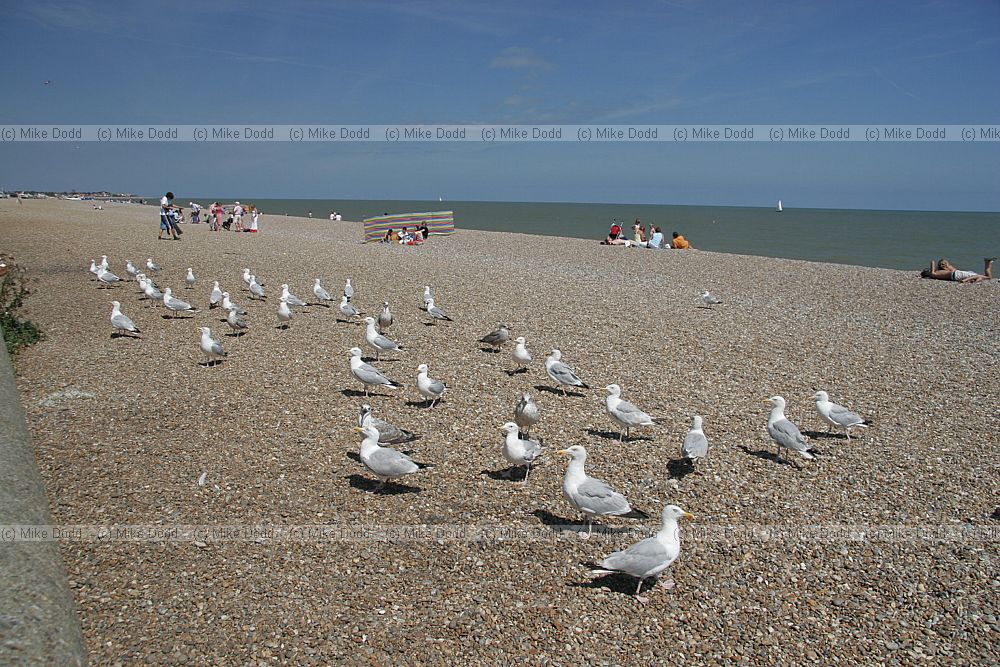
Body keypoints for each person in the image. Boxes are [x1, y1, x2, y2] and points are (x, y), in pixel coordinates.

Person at [921, 257, 994, 283]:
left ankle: (988, 263)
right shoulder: (934, 274)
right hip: (956, 275)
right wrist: (932, 268)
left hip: (956, 274)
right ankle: (987, 262)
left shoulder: (938, 272)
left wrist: (942, 264)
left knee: (983, 277)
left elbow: (947, 265)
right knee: (988, 277)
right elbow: (932, 261)